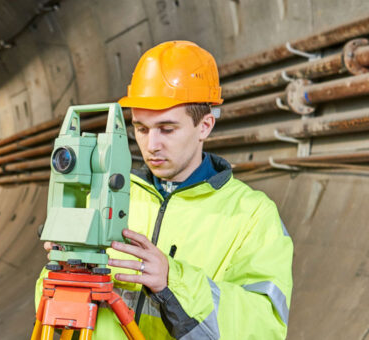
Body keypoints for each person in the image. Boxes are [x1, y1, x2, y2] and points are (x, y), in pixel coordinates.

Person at [35, 40, 293, 339]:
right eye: (141, 129)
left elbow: (263, 326)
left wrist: (172, 281)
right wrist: (64, 267)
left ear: (205, 126)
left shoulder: (253, 215)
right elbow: (51, 313)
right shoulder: (107, 193)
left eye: (167, 129)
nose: (151, 145)